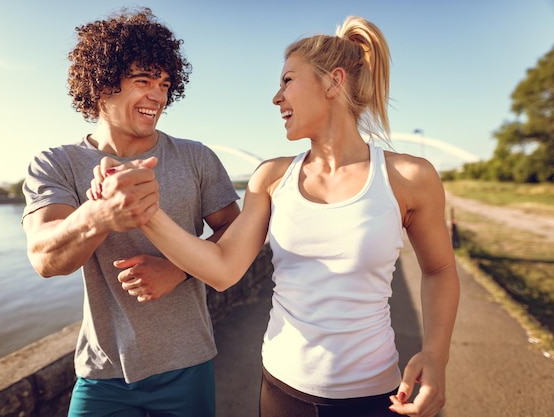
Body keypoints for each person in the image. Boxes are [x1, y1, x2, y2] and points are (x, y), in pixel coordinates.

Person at [93, 15, 461, 417]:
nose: (276, 97)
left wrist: (436, 355)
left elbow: (440, 269)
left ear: (333, 82)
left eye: (287, 81)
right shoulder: (271, 177)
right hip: (282, 393)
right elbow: (222, 270)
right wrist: (145, 212)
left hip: (376, 395)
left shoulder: (409, 177)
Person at [21, 8, 240, 417]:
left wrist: (179, 269)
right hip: (102, 373)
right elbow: (44, 259)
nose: (157, 96)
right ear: (102, 85)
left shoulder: (196, 157)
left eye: (164, 84)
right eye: (143, 81)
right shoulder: (56, 163)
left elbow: (238, 232)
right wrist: (100, 215)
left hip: (186, 363)